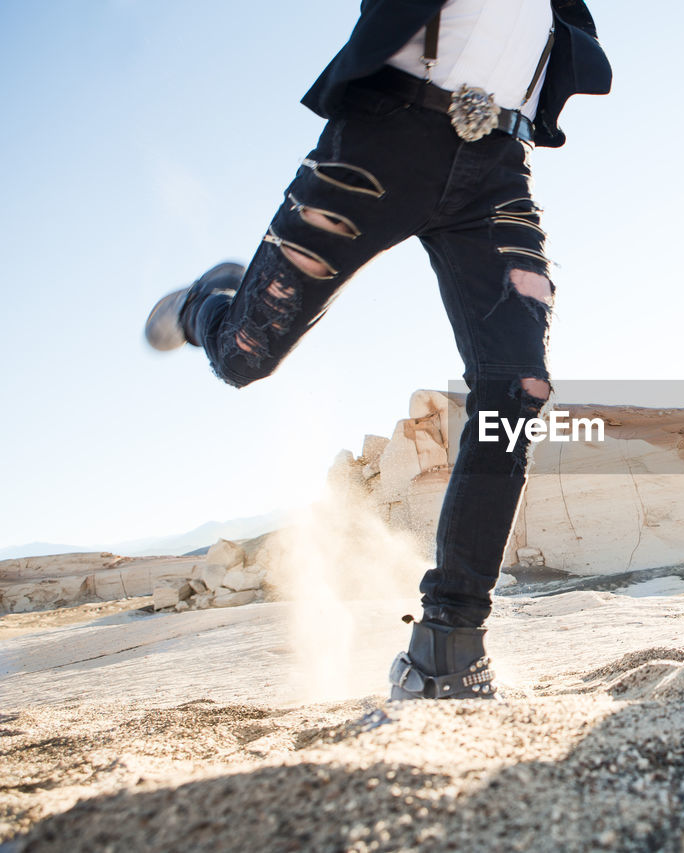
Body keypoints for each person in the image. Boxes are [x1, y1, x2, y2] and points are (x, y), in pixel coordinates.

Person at [143, 0, 611, 698]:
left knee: (518, 386)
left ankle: (448, 643)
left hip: (498, 171)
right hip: (384, 133)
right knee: (247, 351)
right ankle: (207, 301)